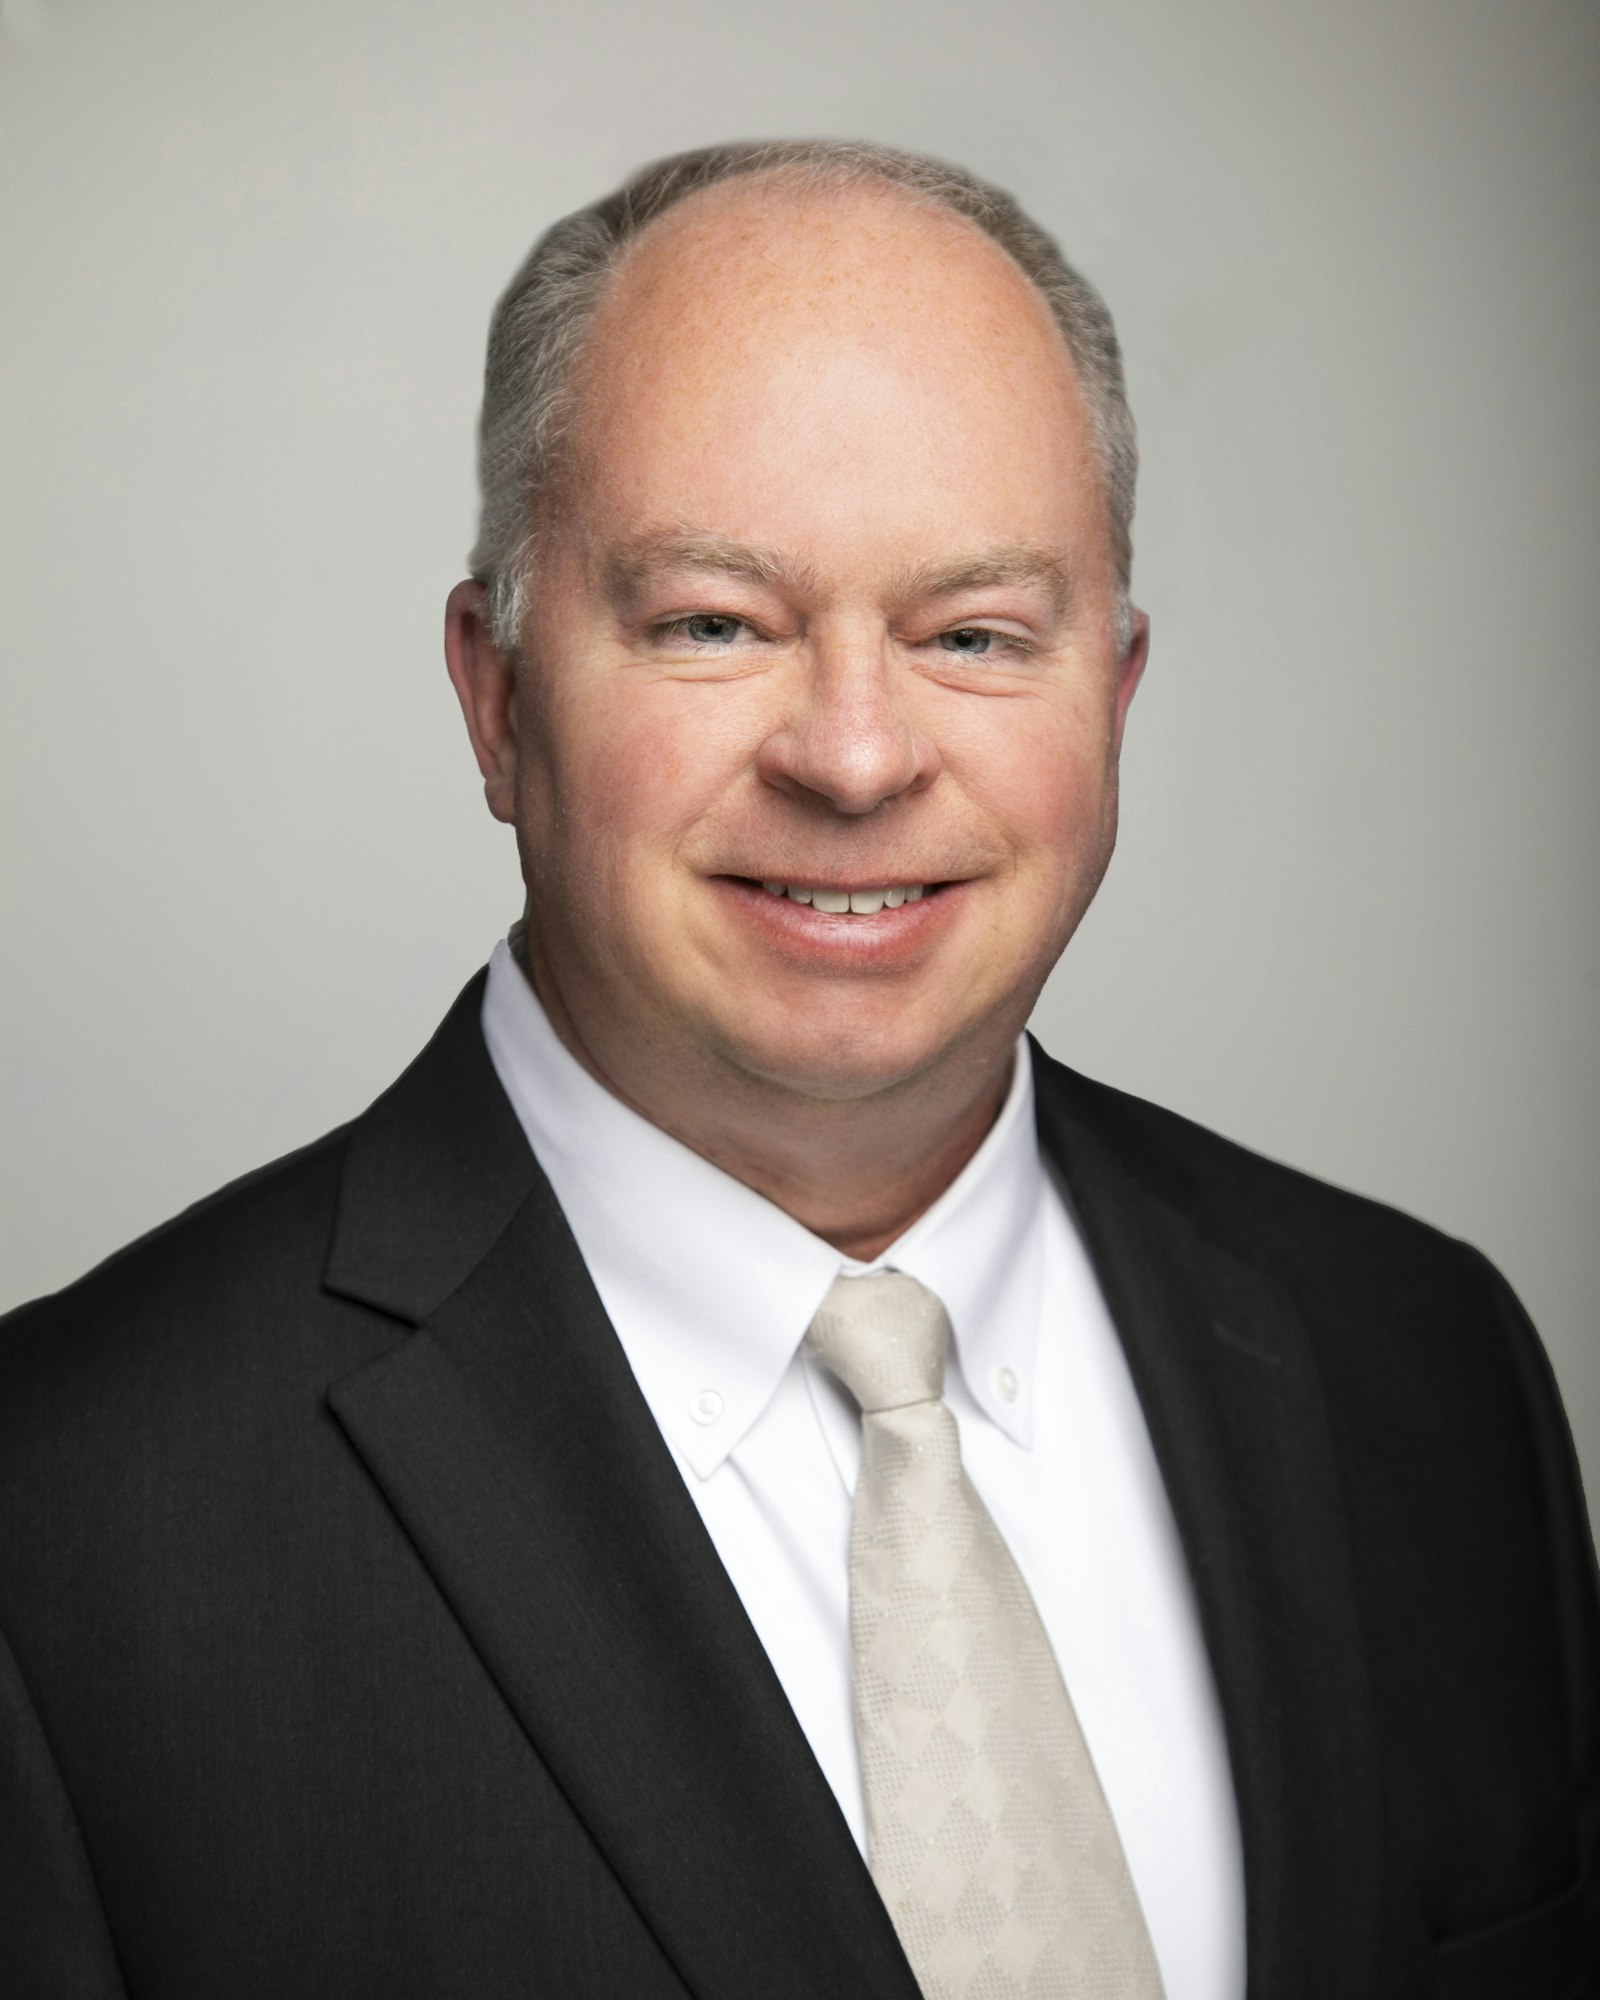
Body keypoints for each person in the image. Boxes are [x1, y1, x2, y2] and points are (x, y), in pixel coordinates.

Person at [1, 140, 1594, 2000]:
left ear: (1117, 696)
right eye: (712, 624)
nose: (853, 757)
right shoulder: (66, 1529)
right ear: (495, 695)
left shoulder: (1427, 1363)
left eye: (975, 635)